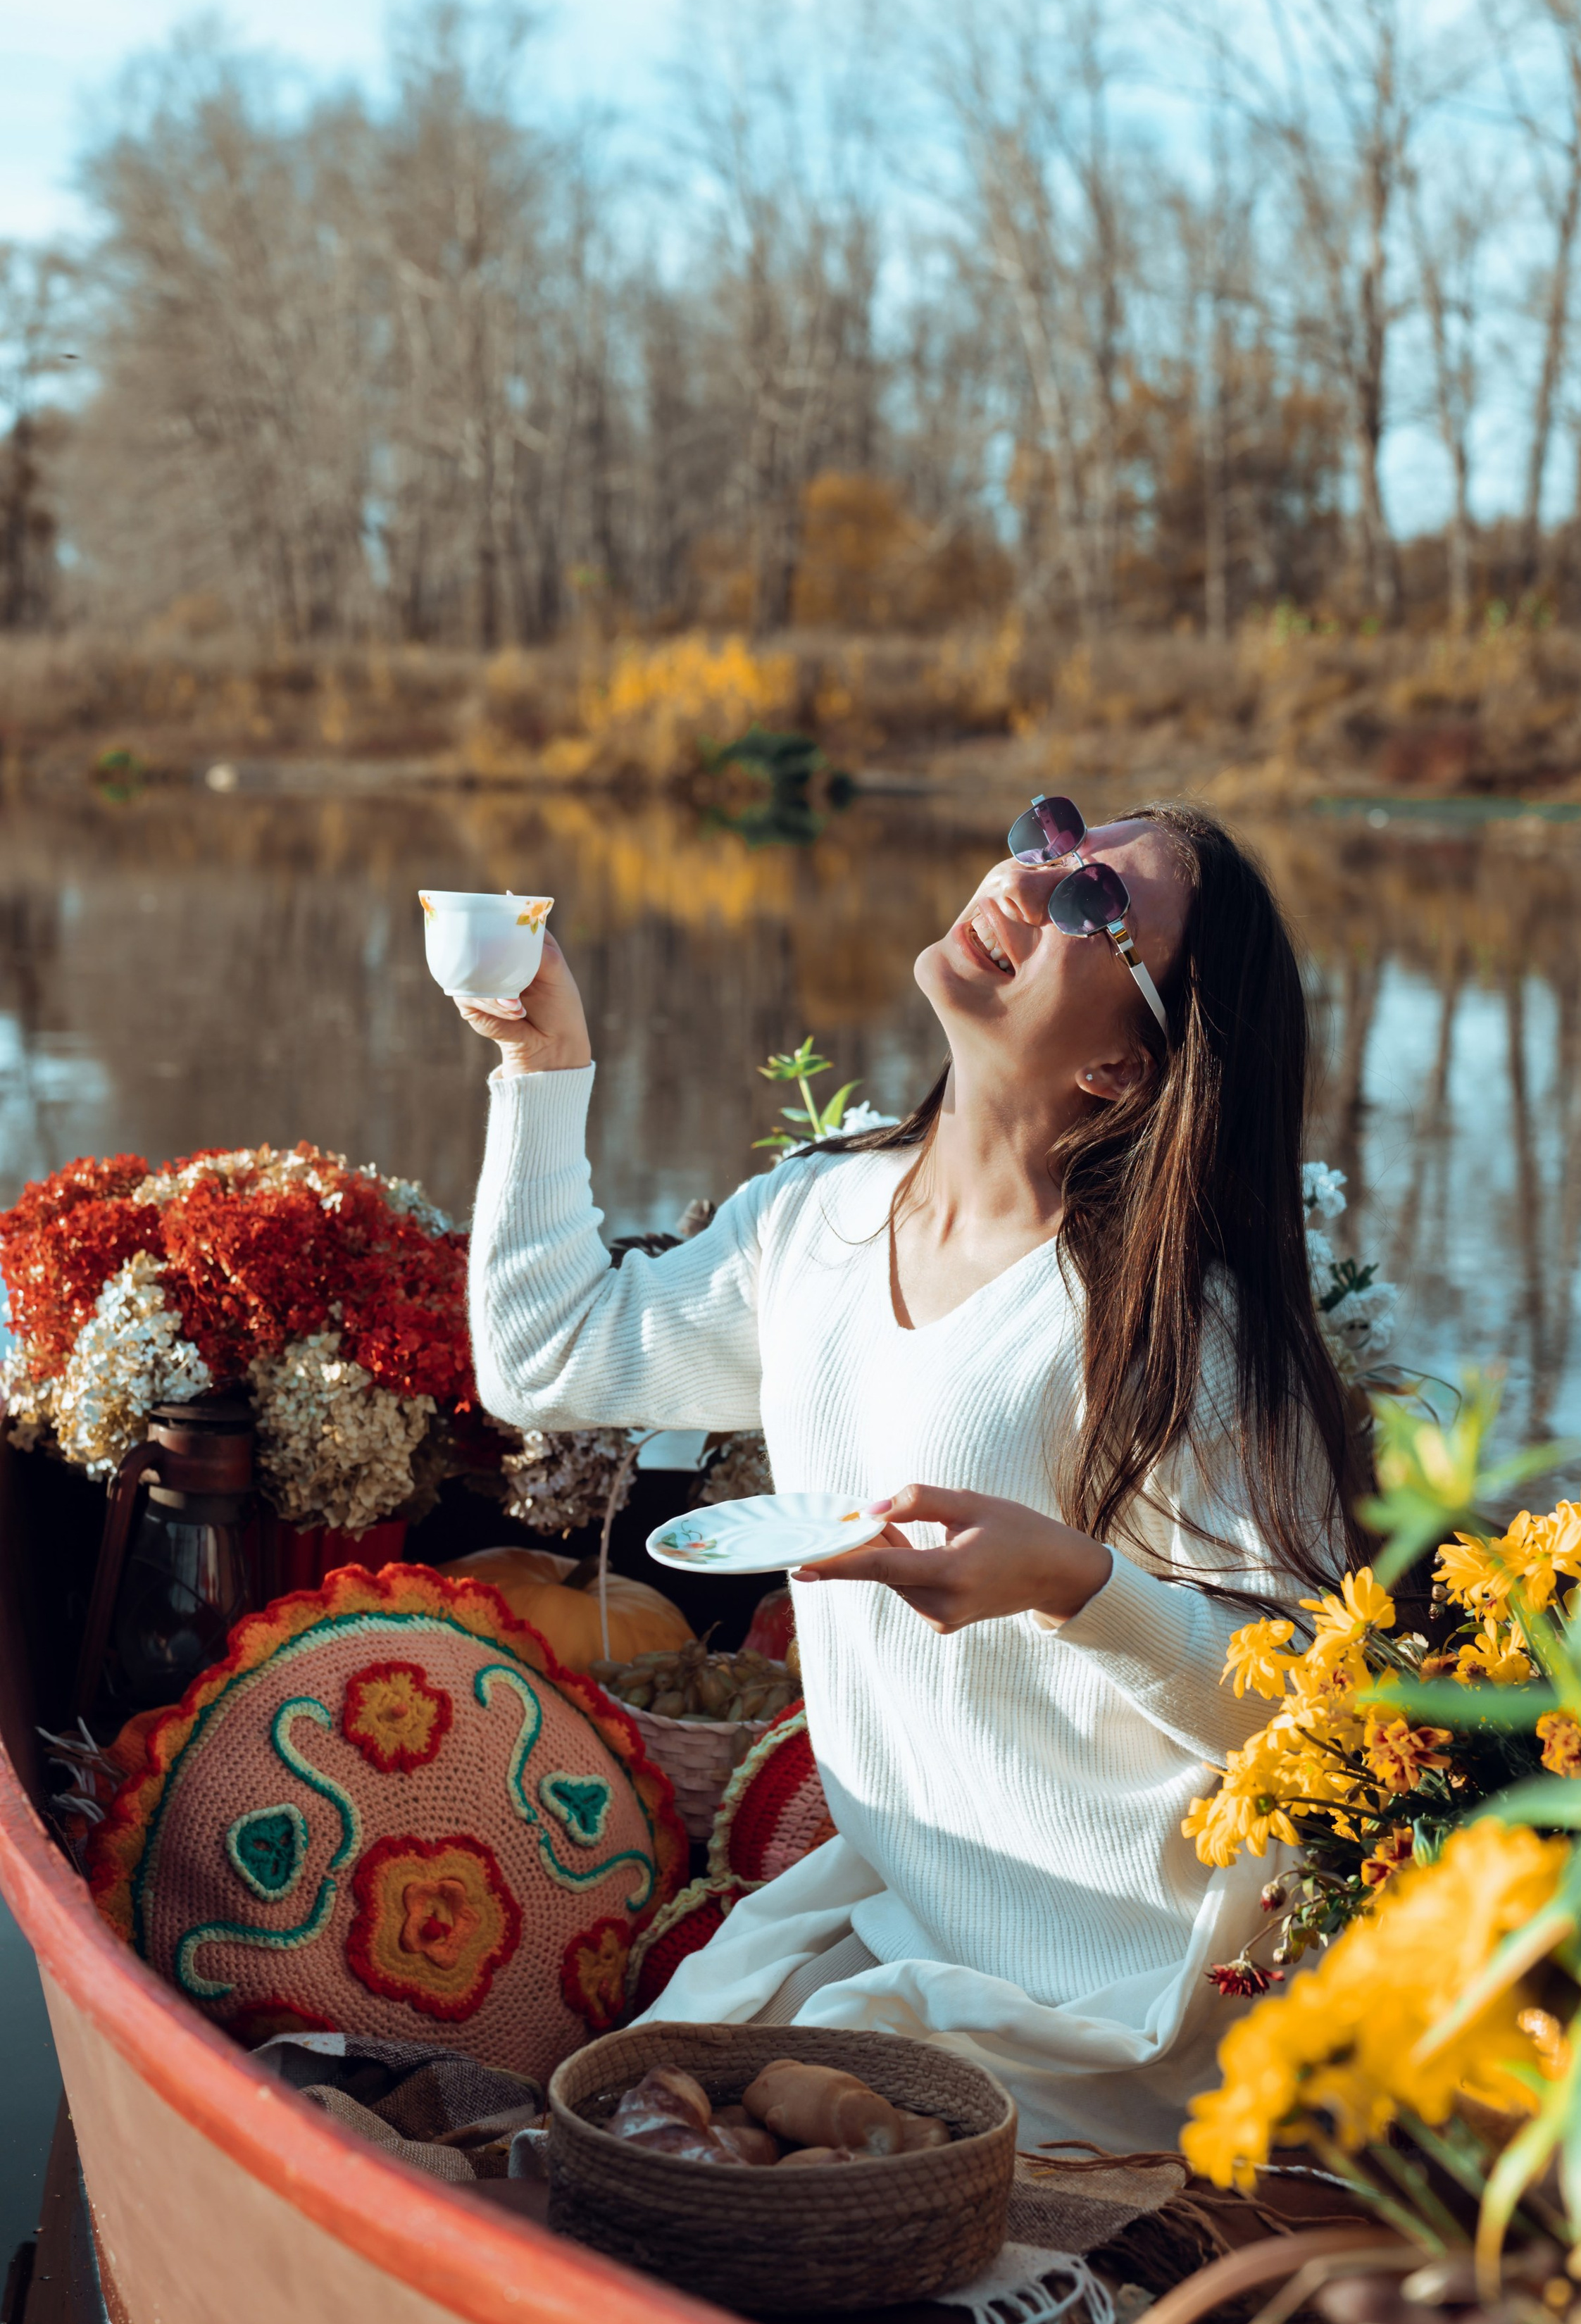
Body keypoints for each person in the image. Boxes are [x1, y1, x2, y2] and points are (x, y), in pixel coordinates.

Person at [457, 803, 1369, 2148]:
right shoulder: (819, 1216)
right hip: (915, 1888)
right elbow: (548, 1360)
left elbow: (1308, 1710)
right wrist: (549, 1068)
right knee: (619, 2120)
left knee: (678, 2151)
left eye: (1088, 899)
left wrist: (1074, 1582)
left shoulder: (1176, 1328)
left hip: (1123, 1975)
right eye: (1049, 836)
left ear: (1124, 1069)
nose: (1029, 877)